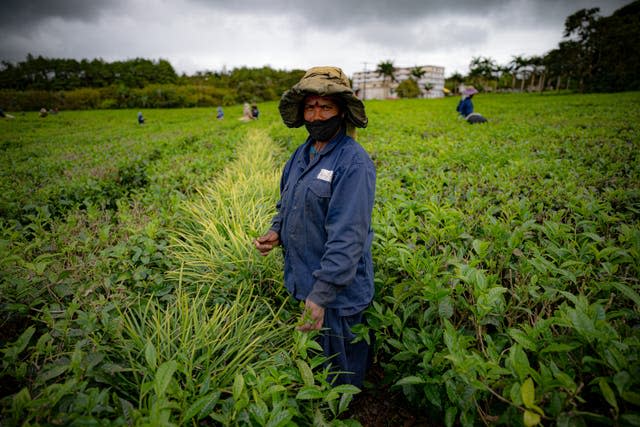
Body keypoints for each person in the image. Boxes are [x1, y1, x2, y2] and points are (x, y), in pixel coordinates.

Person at [254, 66, 375, 388]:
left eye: (326, 107)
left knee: (341, 376)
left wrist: (320, 296)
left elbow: (347, 238)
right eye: (310, 107)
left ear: (341, 112)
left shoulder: (353, 162)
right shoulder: (302, 153)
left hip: (338, 294)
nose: (317, 116)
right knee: (318, 368)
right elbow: (288, 201)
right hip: (308, 280)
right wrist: (276, 230)